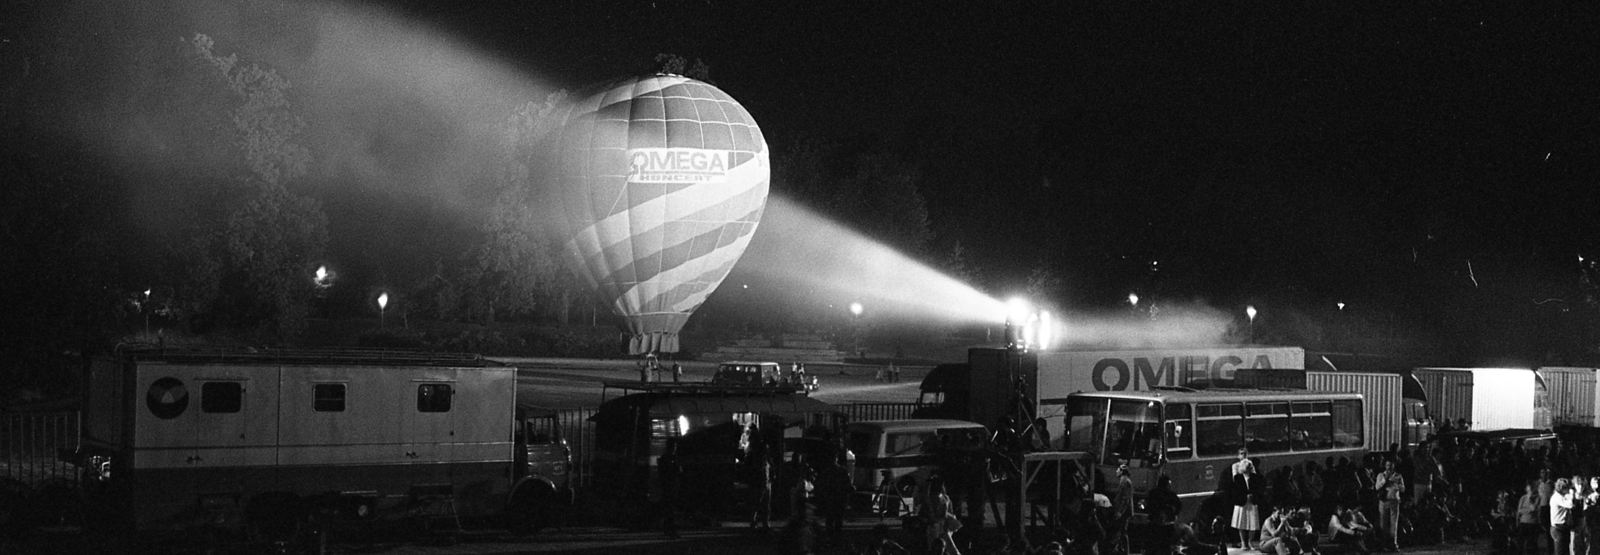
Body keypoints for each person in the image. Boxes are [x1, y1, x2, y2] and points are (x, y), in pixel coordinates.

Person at [923, 477, 961, 555]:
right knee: (944, 548)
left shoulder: (944, 498)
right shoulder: (932, 499)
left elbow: (948, 512)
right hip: (935, 527)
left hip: (941, 527)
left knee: (947, 548)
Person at [816, 456, 853, 536]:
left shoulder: (827, 471)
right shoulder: (842, 470)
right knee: (838, 518)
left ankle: (830, 535)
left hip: (831, 497)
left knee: (830, 518)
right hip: (839, 497)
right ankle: (836, 536)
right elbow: (847, 483)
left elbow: (823, 484)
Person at [1374, 458, 1404, 551]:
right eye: (1387, 466)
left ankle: (1393, 543)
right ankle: (1384, 544)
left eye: (1391, 466)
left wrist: (1396, 486)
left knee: (1394, 524)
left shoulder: (1398, 476)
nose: (1389, 468)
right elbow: (1377, 487)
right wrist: (1385, 480)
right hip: (1384, 501)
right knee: (1383, 523)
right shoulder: (1380, 475)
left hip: (1394, 501)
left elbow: (1403, 489)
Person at [1233, 459, 1264, 551]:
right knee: (1241, 524)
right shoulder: (1237, 478)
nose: (1250, 468)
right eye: (1248, 466)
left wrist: (1253, 496)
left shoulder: (1255, 477)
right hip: (1242, 503)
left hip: (1252, 503)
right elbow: (1235, 491)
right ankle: (1243, 543)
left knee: (1253, 524)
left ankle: (1250, 542)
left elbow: (1258, 489)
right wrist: (1245, 496)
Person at [658, 438, 681, 538]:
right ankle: (669, 531)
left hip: (672, 486)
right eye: (673, 446)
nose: (675, 448)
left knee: (670, 510)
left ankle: (670, 530)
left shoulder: (673, 458)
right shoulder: (666, 458)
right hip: (668, 486)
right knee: (669, 510)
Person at [1520, 481, 1544, 555]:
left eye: (1531, 488)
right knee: (1521, 543)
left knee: (1532, 544)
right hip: (1523, 522)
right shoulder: (1523, 498)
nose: (1529, 489)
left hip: (1533, 523)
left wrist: (1530, 499)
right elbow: (1519, 510)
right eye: (1528, 488)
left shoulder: (1537, 497)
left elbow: (1533, 508)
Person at [1554, 478, 1576, 555]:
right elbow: (1570, 505)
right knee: (1560, 551)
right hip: (1558, 527)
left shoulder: (1561, 497)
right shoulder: (1557, 497)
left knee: (1566, 551)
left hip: (1564, 527)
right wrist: (1571, 494)